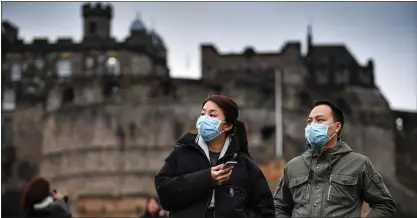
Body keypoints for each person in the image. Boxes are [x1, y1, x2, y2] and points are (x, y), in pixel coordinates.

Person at [155, 94, 275, 218]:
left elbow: (265, 210)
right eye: (203, 114)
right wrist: (206, 178)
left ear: (227, 125)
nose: (204, 119)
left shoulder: (243, 163)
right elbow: (164, 195)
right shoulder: (181, 154)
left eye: (212, 115)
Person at [273, 100, 396, 217]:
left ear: (337, 127)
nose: (312, 125)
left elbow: (384, 204)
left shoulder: (359, 164)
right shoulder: (293, 166)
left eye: (320, 120)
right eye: (309, 121)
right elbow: (279, 206)